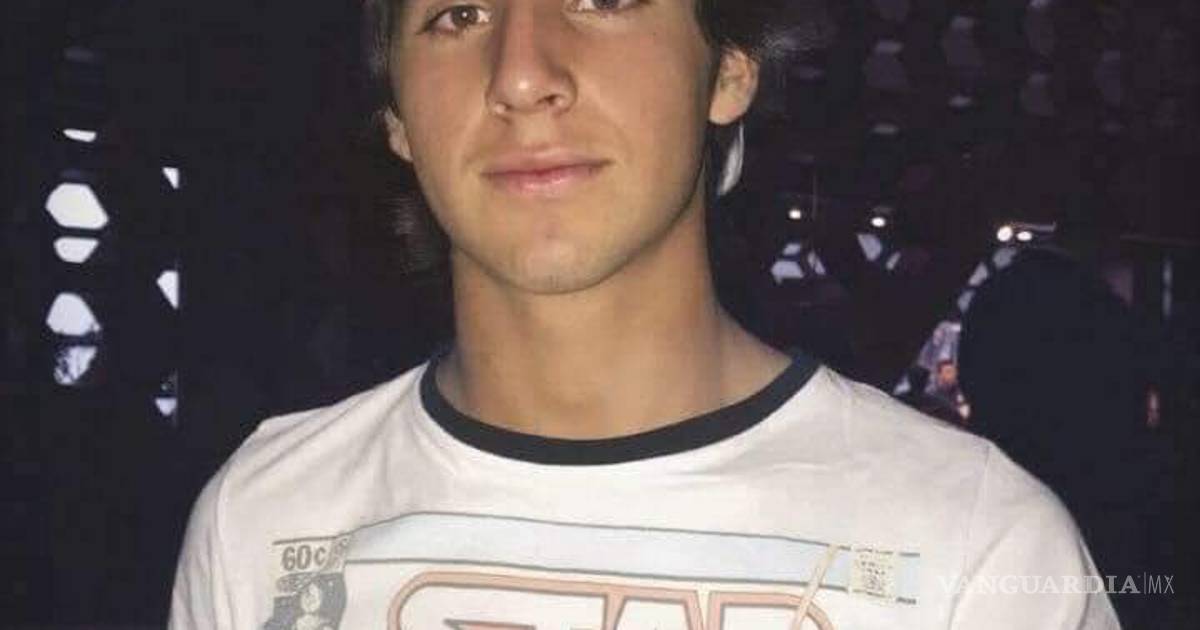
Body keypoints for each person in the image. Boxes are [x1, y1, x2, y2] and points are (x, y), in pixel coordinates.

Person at [169, 1, 1120, 628]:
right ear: (398, 118)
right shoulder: (265, 520)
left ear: (730, 69)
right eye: (458, 13)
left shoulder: (972, 547)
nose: (522, 75)